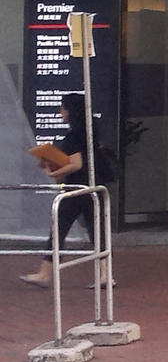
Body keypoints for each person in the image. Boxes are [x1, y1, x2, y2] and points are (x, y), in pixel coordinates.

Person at [19, 92, 101, 288]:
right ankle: (105, 274)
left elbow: (76, 164)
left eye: (63, 108)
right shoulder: (91, 129)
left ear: (70, 110)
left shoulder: (74, 135)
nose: (60, 112)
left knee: (59, 228)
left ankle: (45, 273)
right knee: (98, 230)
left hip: (76, 188)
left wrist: (53, 171)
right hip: (93, 185)